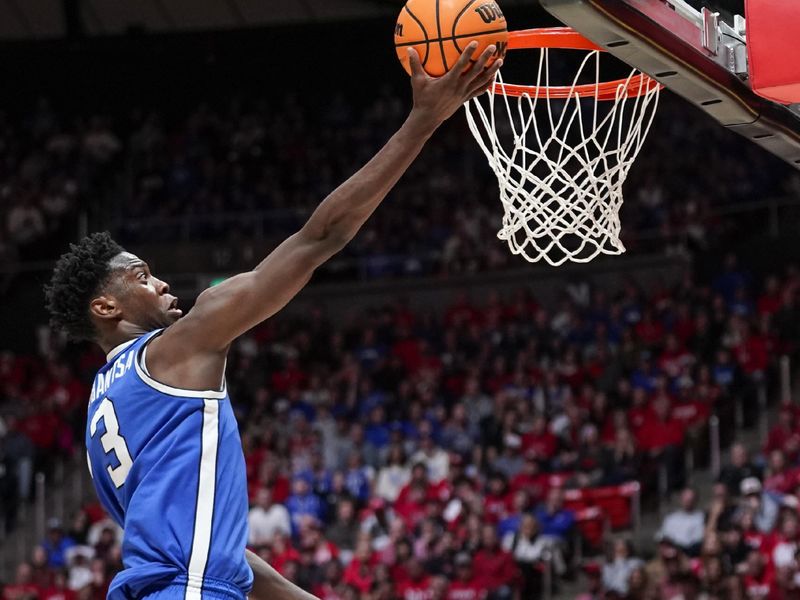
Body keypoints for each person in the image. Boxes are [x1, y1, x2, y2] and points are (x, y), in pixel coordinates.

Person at [44, 43, 502, 600]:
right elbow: (320, 237)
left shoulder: (101, 416)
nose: (161, 283)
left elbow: (224, 552)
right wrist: (422, 121)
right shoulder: (179, 347)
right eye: (141, 276)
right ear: (105, 307)